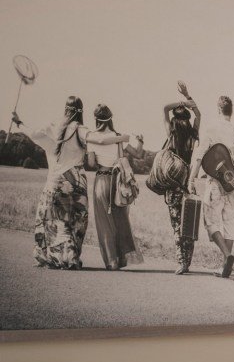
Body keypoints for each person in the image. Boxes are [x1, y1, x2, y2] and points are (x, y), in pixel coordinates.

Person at [11, 95, 127, 269]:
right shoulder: (80, 129)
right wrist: (122, 138)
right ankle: (70, 255)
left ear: (65, 109)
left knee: (53, 219)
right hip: (77, 181)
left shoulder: (52, 126)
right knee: (76, 219)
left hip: (55, 180)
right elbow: (101, 140)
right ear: (81, 111)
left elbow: (33, 133)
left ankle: (51, 255)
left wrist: (19, 123)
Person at [189, 91, 234, 279]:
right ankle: (224, 266)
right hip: (232, 185)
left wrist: (191, 179)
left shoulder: (211, 129)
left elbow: (200, 156)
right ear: (231, 111)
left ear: (218, 109)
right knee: (229, 224)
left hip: (214, 184)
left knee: (210, 222)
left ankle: (227, 256)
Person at [90, 103, 142, 270]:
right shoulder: (118, 137)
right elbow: (139, 154)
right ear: (111, 119)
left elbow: (91, 163)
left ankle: (111, 261)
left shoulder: (92, 137)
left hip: (102, 181)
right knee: (120, 220)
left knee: (104, 222)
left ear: (96, 119)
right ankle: (122, 259)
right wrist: (140, 141)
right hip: (118, 183)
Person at [161, 82, 201, 274]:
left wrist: (179, 101)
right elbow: (199, 114)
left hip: (173, 185)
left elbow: (164, 108)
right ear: (187, 117)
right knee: (189, 224)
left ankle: (181, 262)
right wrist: (187, 97)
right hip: (188, 182)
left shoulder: (171, 132)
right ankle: (188, 262)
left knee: (176, 225)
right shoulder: (193, 134)